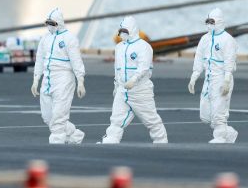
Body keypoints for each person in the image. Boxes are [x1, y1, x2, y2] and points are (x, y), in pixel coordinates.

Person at [99, 16, 168, 144]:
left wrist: (134, 79)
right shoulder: (119, 47)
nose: (122, 34)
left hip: (140, 90)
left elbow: (144, 67)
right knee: (116, 119)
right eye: (121, 32)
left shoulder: (144, 46)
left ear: (133, 30)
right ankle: (111, 139)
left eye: (125, 31)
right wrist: (116, 86)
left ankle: (161, 141)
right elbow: (117, 69)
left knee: (151, 119)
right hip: (122, 89)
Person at [31, 8, 86, 144]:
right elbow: (39, 59)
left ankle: (56, 142)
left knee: (59, 116)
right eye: (47, 22)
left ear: (58, 23)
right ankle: (75, 135)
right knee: (48, 116)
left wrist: (80, 80)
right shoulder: (45, 39)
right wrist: (36, 79)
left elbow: (76, 61)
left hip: (64, 79)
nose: (49, 25)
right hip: (47, 79)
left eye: (52, 22)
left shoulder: (69, 39)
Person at [188, 8, 238, 143]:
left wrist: (227, 80)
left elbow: (229, 61)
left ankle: (220, 137)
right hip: (208, 80)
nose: (209, 24)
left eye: (212, 21)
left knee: (218, 112)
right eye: (207, 21)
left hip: (221, 78)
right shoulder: (205, 39)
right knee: (205, 115)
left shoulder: (228, 40)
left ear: (219, 22)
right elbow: (199, 57)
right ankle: (229, 133)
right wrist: (194, 76)